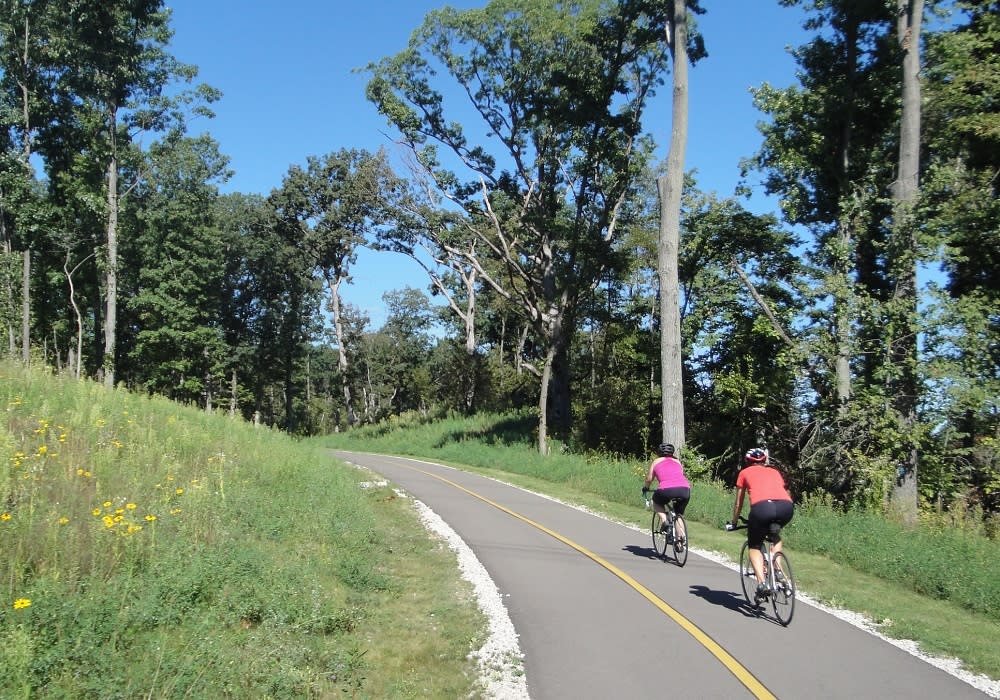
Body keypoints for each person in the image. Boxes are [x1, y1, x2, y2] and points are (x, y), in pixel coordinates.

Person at [728, 448, 794, 599]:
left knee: (754, 545)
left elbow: (739, 502)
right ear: (764, 461)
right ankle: (778, 568)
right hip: (786, 507)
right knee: (775, 536)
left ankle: (762, 584)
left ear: (747, 461)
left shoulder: (744, 473)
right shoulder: (774, 471)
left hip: (762, 508)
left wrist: (734, 522)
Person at [642, 443, 690, 545]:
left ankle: (665, 521)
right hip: (685, 489)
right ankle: (680, 540)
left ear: (659, 452)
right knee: (678, 514)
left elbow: (649, 479)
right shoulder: (677, 461)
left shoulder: (656, 461)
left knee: (656, 501)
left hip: (666, 490)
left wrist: (646, 488)